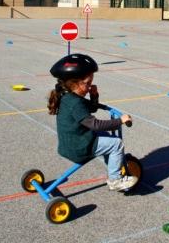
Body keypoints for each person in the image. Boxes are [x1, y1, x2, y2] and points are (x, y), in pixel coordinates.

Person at [48, 53, 138, 191]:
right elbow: (94, 124)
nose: (90, 86)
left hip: (73, 141)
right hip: (78, 147)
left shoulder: (68, 96)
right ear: (75, 83)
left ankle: (114, 168)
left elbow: (91, 108)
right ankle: (115, 180)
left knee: (108, 137)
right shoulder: (75, 103)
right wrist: (120, 120)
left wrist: (93, 94)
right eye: (88, 83)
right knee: (117, 143)